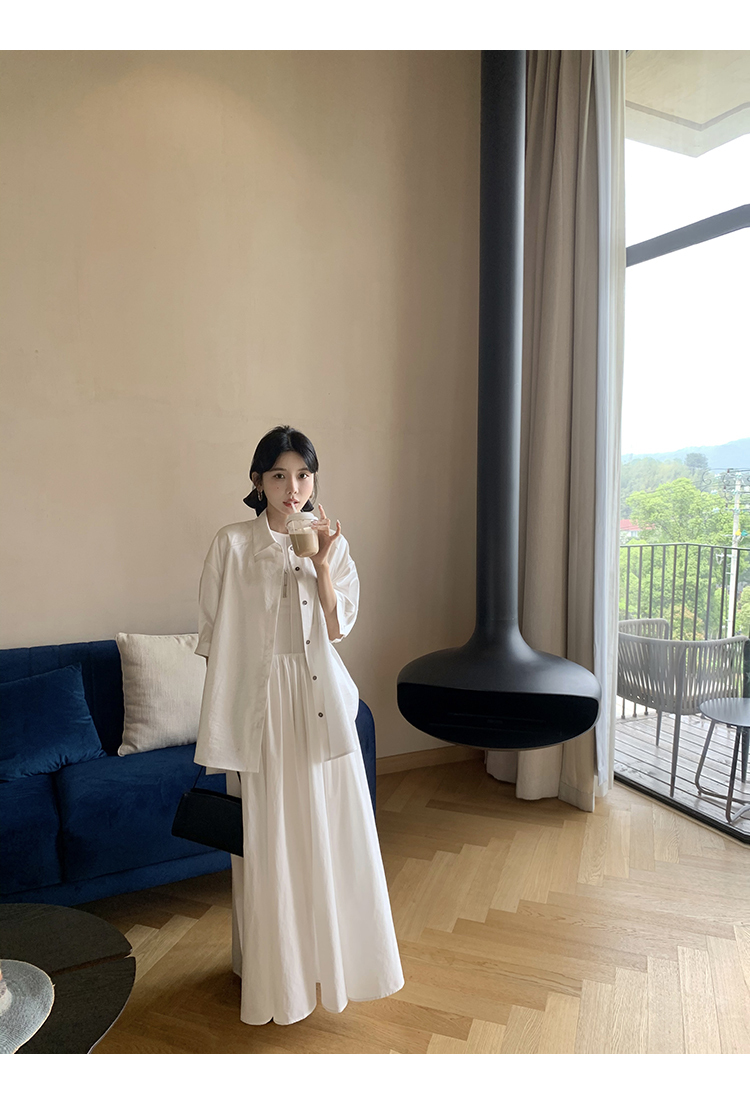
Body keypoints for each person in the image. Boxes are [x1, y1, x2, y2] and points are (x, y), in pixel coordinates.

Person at [193, 424, 404, 1026]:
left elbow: (337, 629)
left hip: (320, 704)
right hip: (261, 709)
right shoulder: (232, 544)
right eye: (279, 475)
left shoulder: (330, 541)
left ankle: (334, 967)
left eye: (304, 475)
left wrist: (322, 564)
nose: (293, 488)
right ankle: (276, 977)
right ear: (257, 481)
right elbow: (212, 637)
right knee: (268, 843)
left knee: (331, 832)